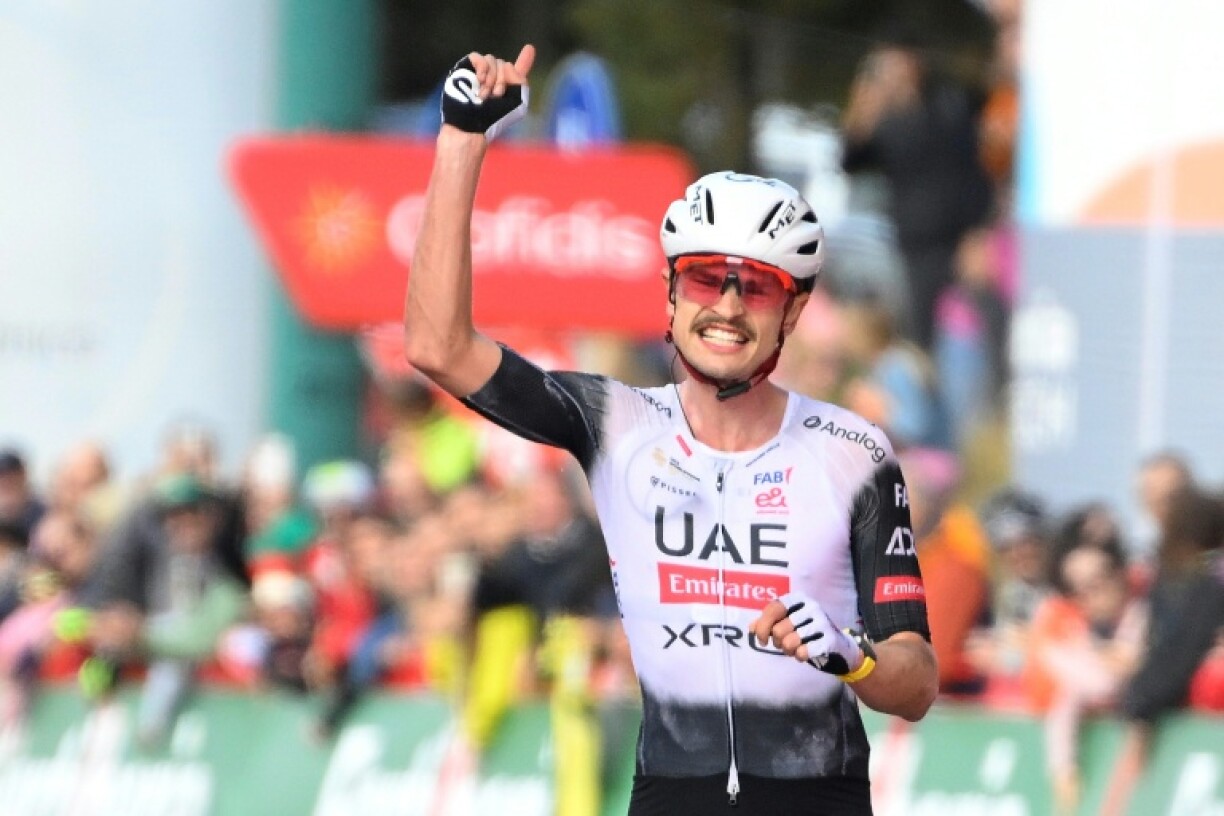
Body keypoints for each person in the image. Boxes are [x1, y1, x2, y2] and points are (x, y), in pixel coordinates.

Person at [402, 45, 936, 815]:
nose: (724, 306)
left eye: (755, 286)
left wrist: (853, 658)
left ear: (792, 310)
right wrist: (461, 139)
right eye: (701, 278)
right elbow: (437, 346)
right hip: (670, 793)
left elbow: (915, 683)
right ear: (669, 291)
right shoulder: (618, 423)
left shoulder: (853, 453)